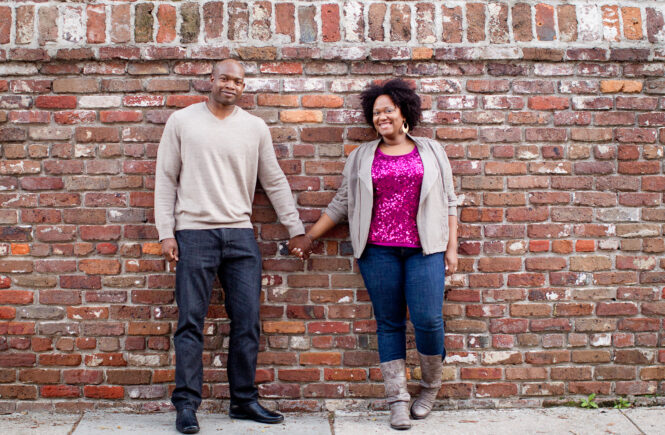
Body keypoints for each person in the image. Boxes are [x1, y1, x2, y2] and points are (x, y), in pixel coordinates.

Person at [155, 59, 312, 434]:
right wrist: (166, 232)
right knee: (190, 322)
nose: (231, 85)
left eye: (238, 81)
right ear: (211, 80)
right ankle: (187, 405)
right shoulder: (182, 121)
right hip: (193, 234)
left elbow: (273, 181)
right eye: (224, 78)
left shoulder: (254, 127)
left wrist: (295, 228)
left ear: (244, 87)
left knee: (247, 322)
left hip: (240, 234)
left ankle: (243, 400)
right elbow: (165, 178)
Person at [291, 79, 458, 431]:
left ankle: (429, 388)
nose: (381, 116)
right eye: (375, 112)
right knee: (389, 323)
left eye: (388, 110)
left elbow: (449, 202)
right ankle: (397, 400)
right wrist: (310, 236)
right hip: (378, 251)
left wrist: (452, 247)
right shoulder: (362, 156)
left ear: (404, 113)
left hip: (425, 249)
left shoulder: (431, 150)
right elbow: (343, 203)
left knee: (428, 319)